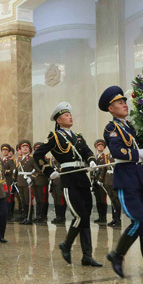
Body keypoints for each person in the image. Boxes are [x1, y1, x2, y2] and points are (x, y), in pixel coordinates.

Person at [99, 86, 143, 281]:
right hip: (126, 178)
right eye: (119, 102)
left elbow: (141, 145)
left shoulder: (129, 126)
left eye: (124, 101)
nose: (124, 104)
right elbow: (117, 152)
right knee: (139, 220)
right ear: (111, 108)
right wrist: (138, 154)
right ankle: (117, 255)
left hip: (139, 177)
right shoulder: (111, 128)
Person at [33, 102, 101, 267]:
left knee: (86, 217)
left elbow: (86, 151)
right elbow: (38, 155)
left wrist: (91, 161)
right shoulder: (55, 137)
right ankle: (67, 244)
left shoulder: (77, 136)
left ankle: (87, 256)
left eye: (70, 114)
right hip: (68, 178)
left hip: (82, 178)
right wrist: (49, 171)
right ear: (59, 120)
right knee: (81, 216)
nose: (69, 117)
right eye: (65, 115)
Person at [13, 140, 35, 225]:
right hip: (20, 182)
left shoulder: (32, 158)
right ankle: (25, 217)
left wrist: (31, 178)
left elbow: (38, 170)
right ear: (20, 150)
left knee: (28, 200)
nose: (25, 148)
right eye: (23, 147)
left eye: (27, 147)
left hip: (27, 182)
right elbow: (17, 171)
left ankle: (29, 218)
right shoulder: (19, 159)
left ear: (29, 149)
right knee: (23, 200)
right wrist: (14, 180)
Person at [32, 142, 50, 224]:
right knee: (38, 199)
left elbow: (45, 169)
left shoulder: (46, 159)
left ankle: (43, 216)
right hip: (35, 181)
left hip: (42, 181)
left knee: (43, 199)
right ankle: (38, 215)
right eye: (36, 148)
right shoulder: (33, 158)